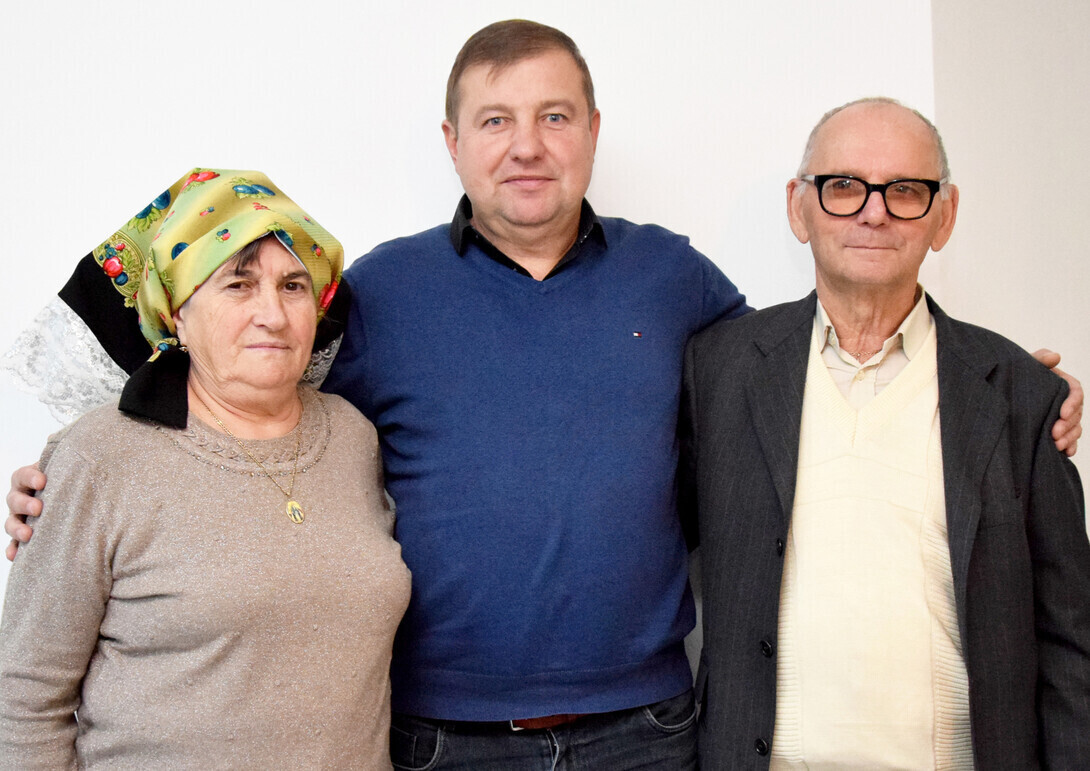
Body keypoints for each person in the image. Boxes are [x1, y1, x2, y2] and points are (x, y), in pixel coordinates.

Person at [3, 23, 1084, 770]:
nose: (527, 145)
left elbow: (802, 364)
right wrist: (72, 485)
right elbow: (246, 398)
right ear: (452, 144)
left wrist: (990, 385)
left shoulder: (673, 277)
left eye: (555, 116)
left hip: (649, 730)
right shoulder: (380, 290)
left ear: (593, 132)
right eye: (495, 121)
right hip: (439, 737)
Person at [681, 98, 1090, 769]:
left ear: (944, 215)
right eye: (843, 185)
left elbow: (1071, 638)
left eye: (905, 190)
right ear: (798, 207)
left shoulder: (1019, 392)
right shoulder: (717, 371)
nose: (874, 212)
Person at [0, 169, 411, 769]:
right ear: (177, 315)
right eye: (238, 285)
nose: (273, 314)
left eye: (294, 286)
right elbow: (26, 699)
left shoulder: (353, 436)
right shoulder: (99, 458)